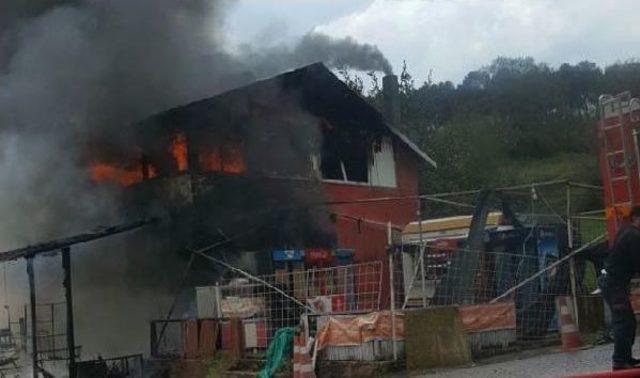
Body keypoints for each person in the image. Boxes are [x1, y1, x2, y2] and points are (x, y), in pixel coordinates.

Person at [599, 205, 640, 370]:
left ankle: (626, 357)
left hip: (614, 282)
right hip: (614, 283)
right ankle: (619, 361)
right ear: (636, 218)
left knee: (629, 321)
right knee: (623, 321)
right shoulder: (633, 236)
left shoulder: (627, 231)